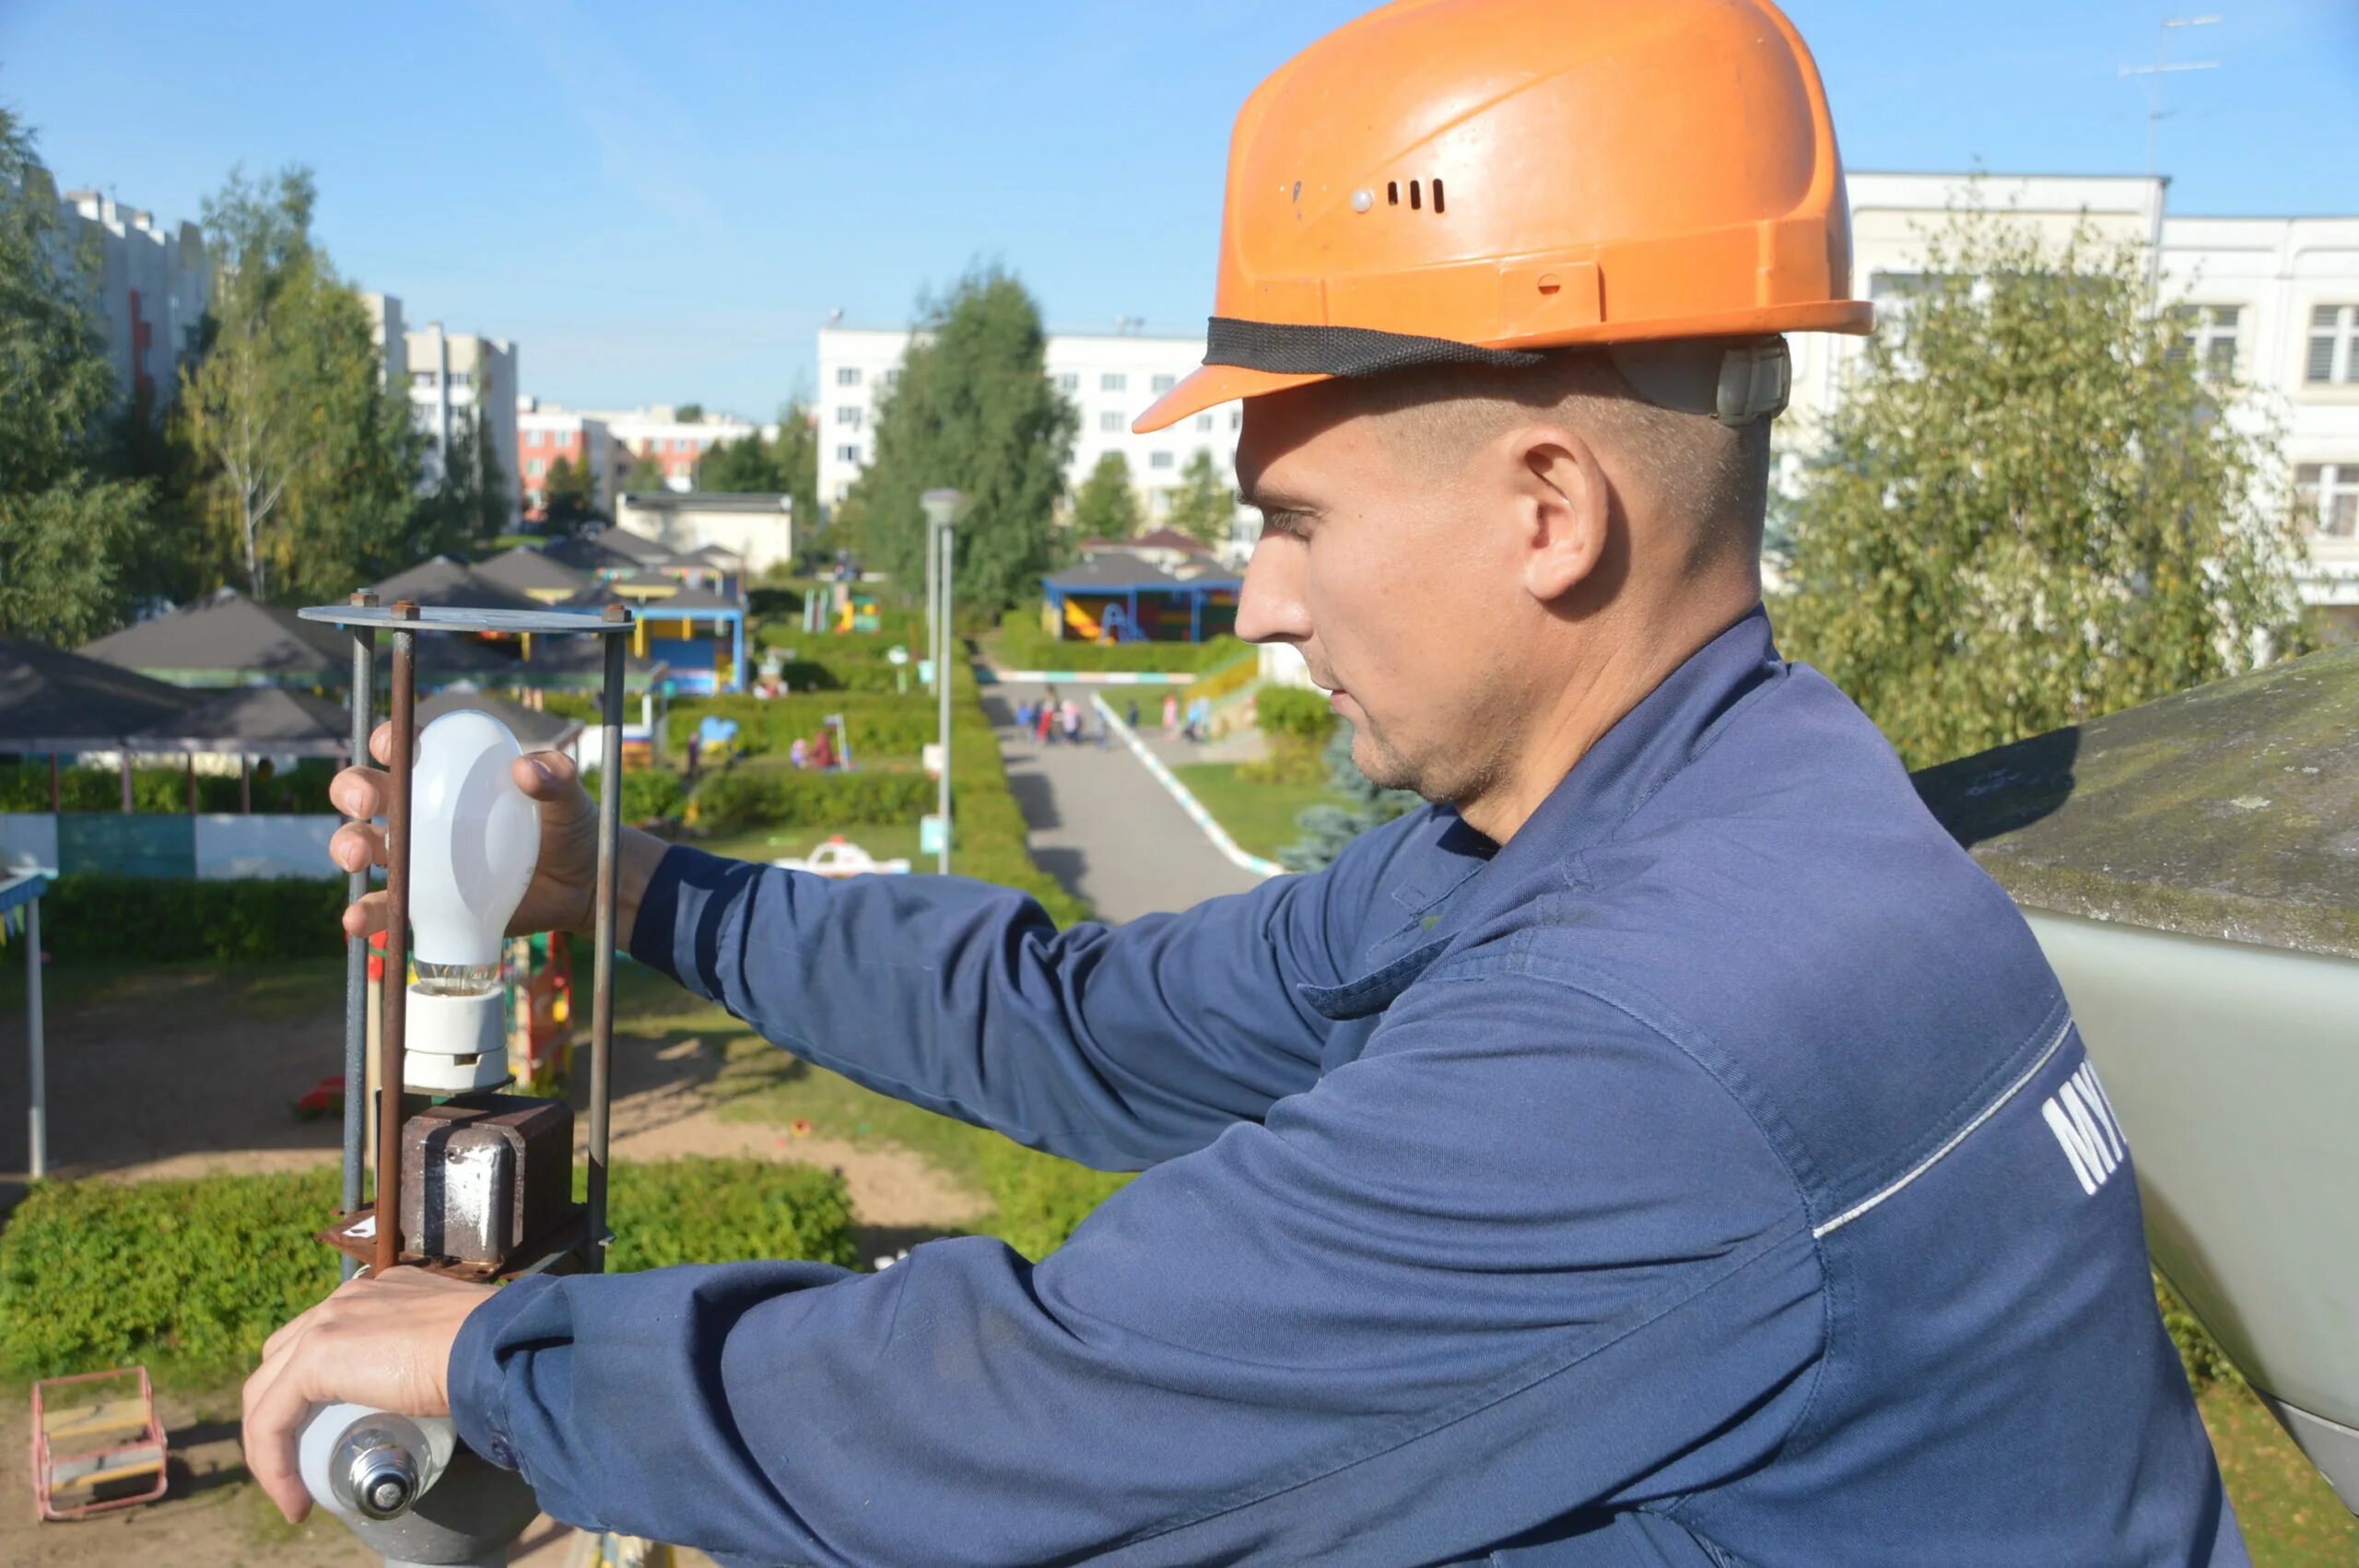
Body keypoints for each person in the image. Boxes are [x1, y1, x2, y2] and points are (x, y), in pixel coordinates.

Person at [245, 3, 2242, 1561]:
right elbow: (1088, 1029)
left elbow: (1035, 1416)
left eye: (1288, 516)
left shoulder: (1658, 1029)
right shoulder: (1664, 812)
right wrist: (628, 880)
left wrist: (487, 1358)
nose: (1262, 601)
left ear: (1549, 510)